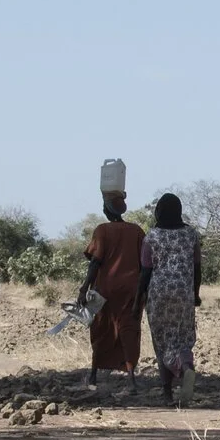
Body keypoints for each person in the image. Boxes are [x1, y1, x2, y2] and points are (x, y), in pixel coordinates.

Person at [79, 160, 146, 388]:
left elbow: (95, 262)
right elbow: (145, 264)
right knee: (129, 330)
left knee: (101, 329)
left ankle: (94, 374)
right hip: (131, 291)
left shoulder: (102, 231)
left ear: (107, 210)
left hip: (105, 290)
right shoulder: (136, 231)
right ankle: (131, 378)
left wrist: (84, 288)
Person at [142, 194, 202, 406]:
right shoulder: (191, 235)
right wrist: (195, 294)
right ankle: (186, 368)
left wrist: (139, 299)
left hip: (158, 294)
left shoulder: (151, 237)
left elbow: (146, 272)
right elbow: (197, 267)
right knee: (182, 338)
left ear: (158, 212)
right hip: (183, 294)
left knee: (161, 342)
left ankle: (167, 392)